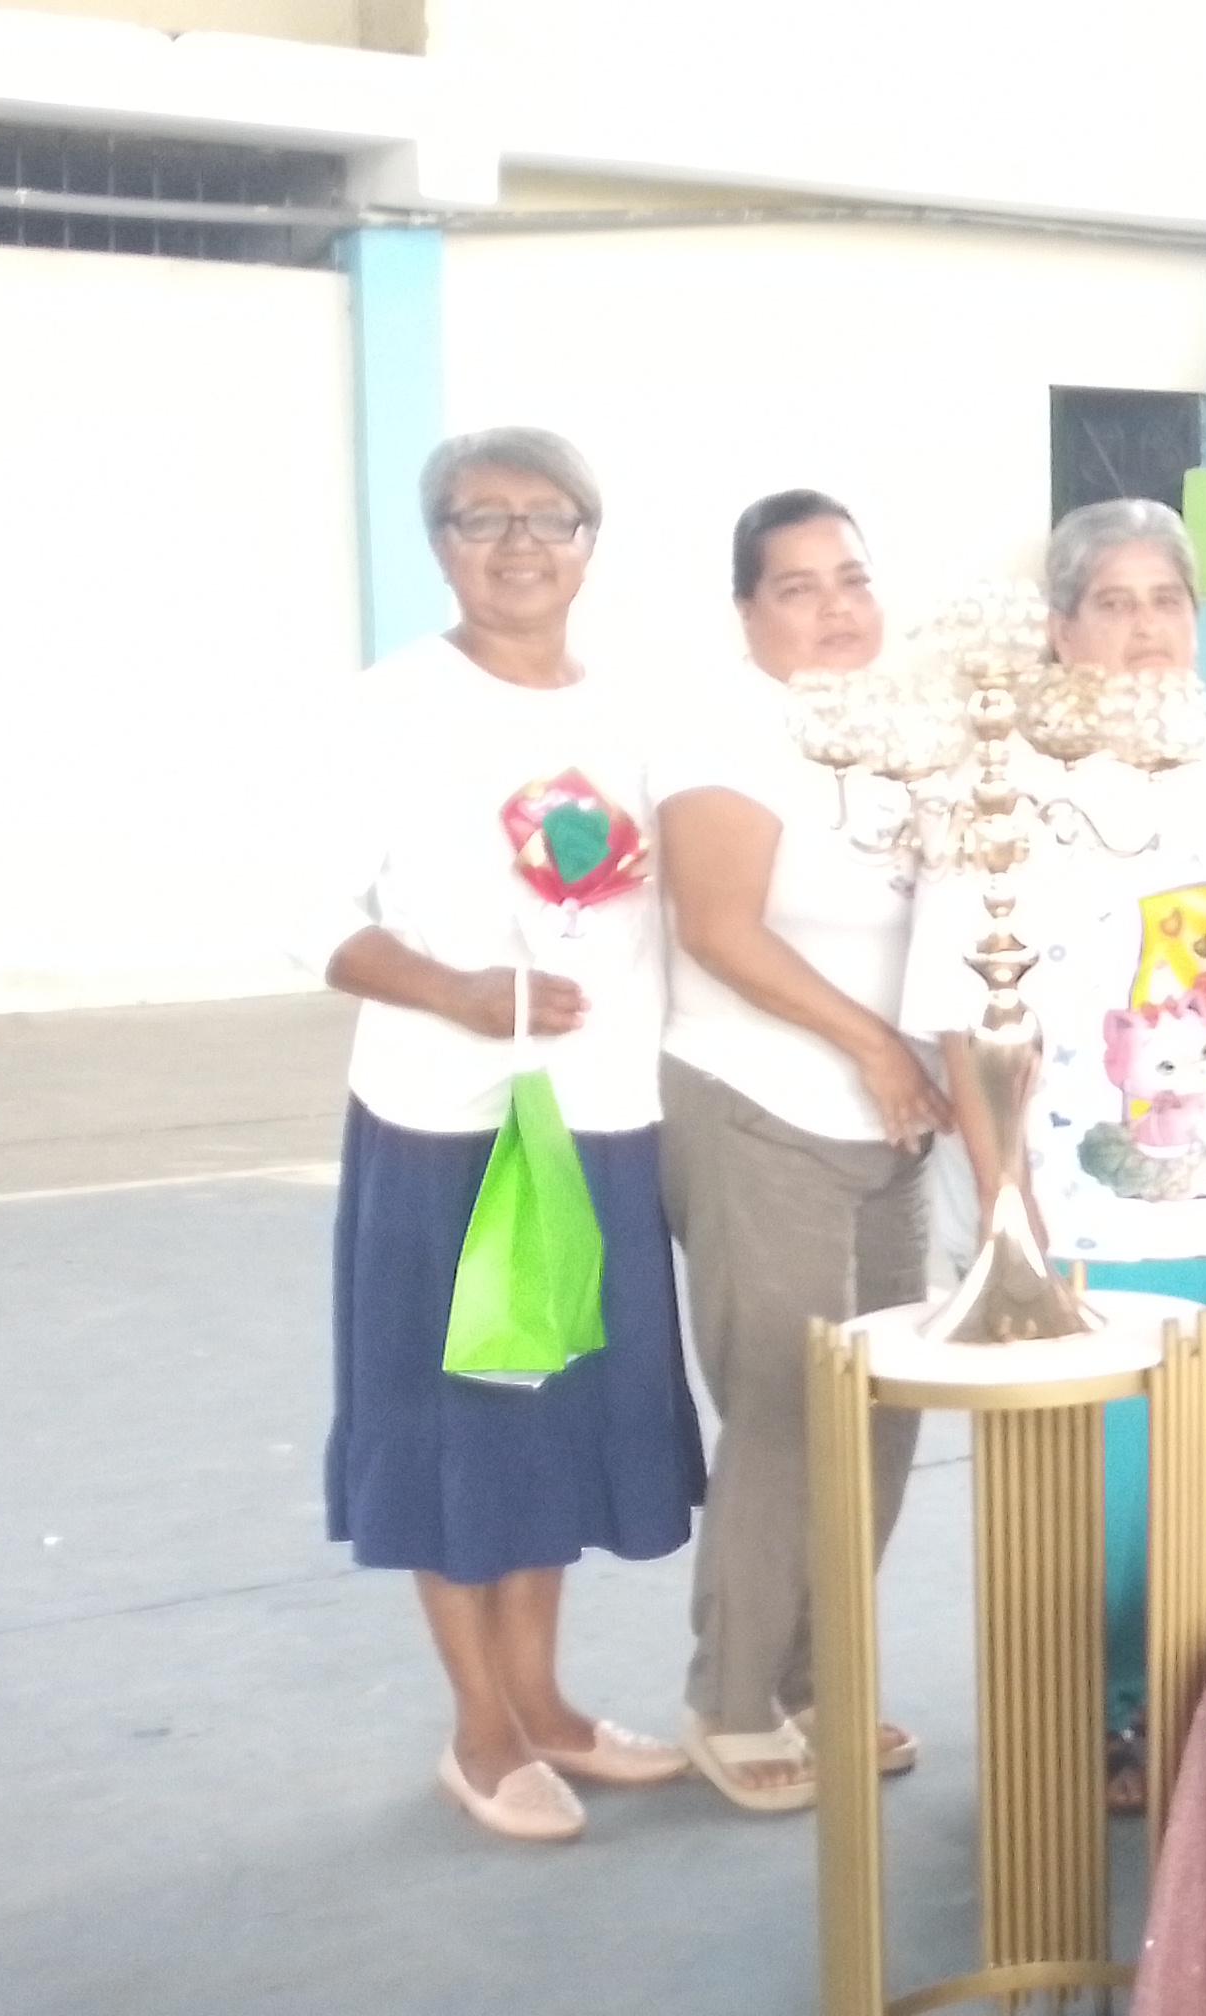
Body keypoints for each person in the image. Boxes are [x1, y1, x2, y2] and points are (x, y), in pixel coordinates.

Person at [312, 427, 703, 1841]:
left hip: (597, 1116)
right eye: (485, 519)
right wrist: (455, 992)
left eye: (551, 519)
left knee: (549, 1424)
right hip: (450, 1128)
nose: (521, 544)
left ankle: (543, 1702)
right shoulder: (390, 707)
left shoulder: (639, 711)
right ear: (441, 545)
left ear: (592, 544)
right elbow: (308, 913)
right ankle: (479, 1733)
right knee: (458, 1427)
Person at [900, 497, 1206, 1795]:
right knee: (1090, 1500)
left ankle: (1168, 1715)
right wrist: (1009, 1207)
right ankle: (1074, 1727)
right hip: (1076, 1207)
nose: (1144, 629)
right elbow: (963, 1019)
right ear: (1060, 630)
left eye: (1166, 601)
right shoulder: (999, 778)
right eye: (1113, 604)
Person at [650, 489, 938, 1811]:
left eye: (852, 579)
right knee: (783, 1404)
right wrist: (873, 1044)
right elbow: (718, 925)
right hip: (758, 1103)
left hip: (894, 1121)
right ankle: (732, 1698)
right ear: (746, 612)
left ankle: (822, 1678)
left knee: (882, 1407)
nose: (835, 609)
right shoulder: (726, 728)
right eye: (798, 587)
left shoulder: (895, 728)